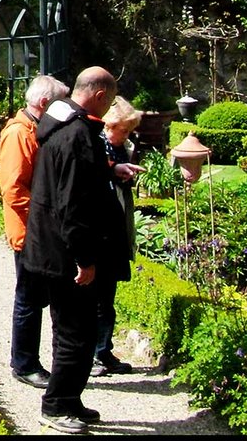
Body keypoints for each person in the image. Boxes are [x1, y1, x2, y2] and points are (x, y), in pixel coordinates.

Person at [21, 66, 126, 434]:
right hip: (64, 254)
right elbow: (73, 205)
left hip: (51, 247)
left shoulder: (61, 124)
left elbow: (72, 185)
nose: (111, 105)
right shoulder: (78, 134)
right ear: (99, 95)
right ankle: (55, 405)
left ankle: (71, 399)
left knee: (74, 331)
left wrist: (109, 171)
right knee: (75, 333)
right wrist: (84, 258)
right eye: (111, 99)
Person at [0, 74, 71, 388]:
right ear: (44, 103)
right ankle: (24, 363)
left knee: (37, 296)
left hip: (38, 230)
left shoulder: (34, 129)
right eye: (59, 102)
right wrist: (46, 221)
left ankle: (32, 361)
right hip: (29, 232)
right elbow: (13, 190)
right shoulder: (18, 133)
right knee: (28, 297)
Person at [94, 95, 142, 377]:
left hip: (116, 231)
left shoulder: (122, 149)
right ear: (108, 125)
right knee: (96, 300)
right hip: (100, 232)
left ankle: (104, 349)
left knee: (107, 298)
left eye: (127, 131)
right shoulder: (97, 147)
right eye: (121, 130)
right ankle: (93, 354)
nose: (125, 136)